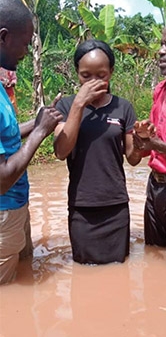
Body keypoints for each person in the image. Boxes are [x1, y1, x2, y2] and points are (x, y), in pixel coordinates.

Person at [53, 40, 142, 264]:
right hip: (82, 208)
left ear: (111, 72)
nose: (93, 82)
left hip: (116, 207)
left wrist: (143, 141)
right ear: (77, 74)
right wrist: (78, 105)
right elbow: (61, 151)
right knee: (83, 277)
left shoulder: (123, 108)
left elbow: (132, 159)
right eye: (86, 76)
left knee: (119, 277)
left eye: (101, 75)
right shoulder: (65, 106)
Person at [0, 0, 63, 284]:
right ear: (3, 37)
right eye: (24, 43)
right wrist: (39, 132)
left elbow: (7, 134)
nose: (26, 51)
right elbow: (2, 178)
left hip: (15, 207)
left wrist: (38, 122)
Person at [134, 23, 166, 261]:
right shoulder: (160, 90)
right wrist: (141, 138)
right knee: (152, 257)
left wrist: (153, 144)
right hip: (154, 186)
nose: (161, 51)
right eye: (161, 43)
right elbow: (150, 142)